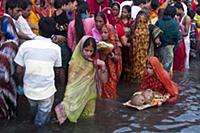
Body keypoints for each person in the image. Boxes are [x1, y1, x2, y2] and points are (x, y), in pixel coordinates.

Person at [14, 17, 63, 126]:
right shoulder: (56, 49)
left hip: (29, 89)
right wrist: (59, 88)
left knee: (33, 111)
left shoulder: (25, 46)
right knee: (41, 121)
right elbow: (58, 71)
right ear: (52, 32)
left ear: (39, 30)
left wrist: (21, 85)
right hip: (47, 91)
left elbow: (18, 70)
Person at [55, 36, 108, 124]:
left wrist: (103, 66)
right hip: (76, 94)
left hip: (90, 94)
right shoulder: (75, 62)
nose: (88, 53)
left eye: (91, 51)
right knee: (70, 115)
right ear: (81, 48)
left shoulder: (95, 62)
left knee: (88, 118)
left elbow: (104, 80)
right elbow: (72, 83)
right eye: (86, 50)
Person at [99, 24, 122, 99]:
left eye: (105, 33)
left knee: (111, 90)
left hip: (112, 71)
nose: (103, 35)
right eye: (102, 32)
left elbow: (118, 59)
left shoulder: (114, 45)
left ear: (110, 33)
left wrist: (113, 57)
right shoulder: (100, 44)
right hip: (102, 70)